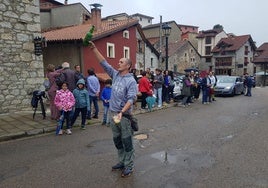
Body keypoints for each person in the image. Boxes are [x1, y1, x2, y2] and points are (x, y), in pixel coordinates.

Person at [88, 41, 137, 178]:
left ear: (128, 66)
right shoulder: (115, 75)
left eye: (121, 62)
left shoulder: (131, 81)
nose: (118, 63)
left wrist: (122, 112)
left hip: (124, 116)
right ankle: (121, 161)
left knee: (127, 141)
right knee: (117, 140)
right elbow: (104, 63)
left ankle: (129, 165)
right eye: (119, 61)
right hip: (114, 114)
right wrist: (94, 49)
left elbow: (131, 99)